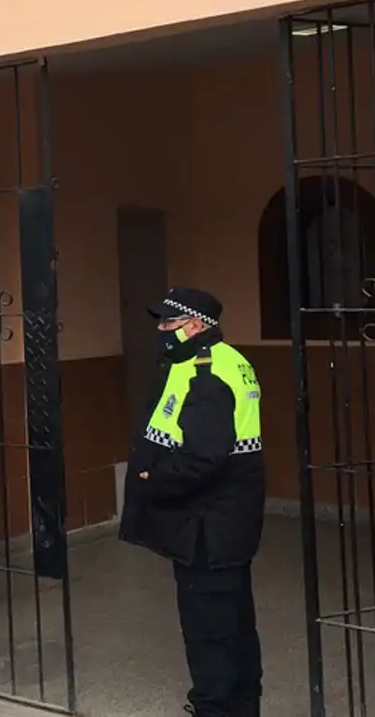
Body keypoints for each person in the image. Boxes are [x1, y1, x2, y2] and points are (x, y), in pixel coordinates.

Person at [120, 288, 264, 717]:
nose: (160, 331)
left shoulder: (207, 373)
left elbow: (204, 457)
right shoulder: (224, 361)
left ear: (196, 325)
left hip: (208, 531)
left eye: (169, 323)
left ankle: (215, 708)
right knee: (234, 629)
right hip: (224, 529)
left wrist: (151, 479)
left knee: (210, 637)